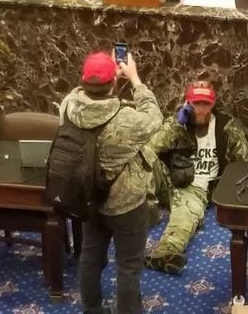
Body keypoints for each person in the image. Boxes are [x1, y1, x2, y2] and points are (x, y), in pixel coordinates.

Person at [59, 51, 162, 314]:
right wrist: (135, 80)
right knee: (128, 265)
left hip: (89, 196)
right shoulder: (125, 120)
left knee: (90, 257)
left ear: (83, 81)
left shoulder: (69, 107)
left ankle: (92, 310)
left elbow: (76, 94)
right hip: (125, 202)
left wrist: (102, 76)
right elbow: (154, 118)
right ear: (113, 85)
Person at [143, 80, 248, 274]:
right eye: (196, 104)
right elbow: (150, 149)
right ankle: (145, 213)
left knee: (185, 214)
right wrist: (177, 125)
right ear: (188, 103)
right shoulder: (178, 124)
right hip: (171, 180)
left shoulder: (227, 127)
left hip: (196, 186)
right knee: (141, 161)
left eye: (206, 104)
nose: (201, 109)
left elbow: (245, 162)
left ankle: (164, 252)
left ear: (213, 104)